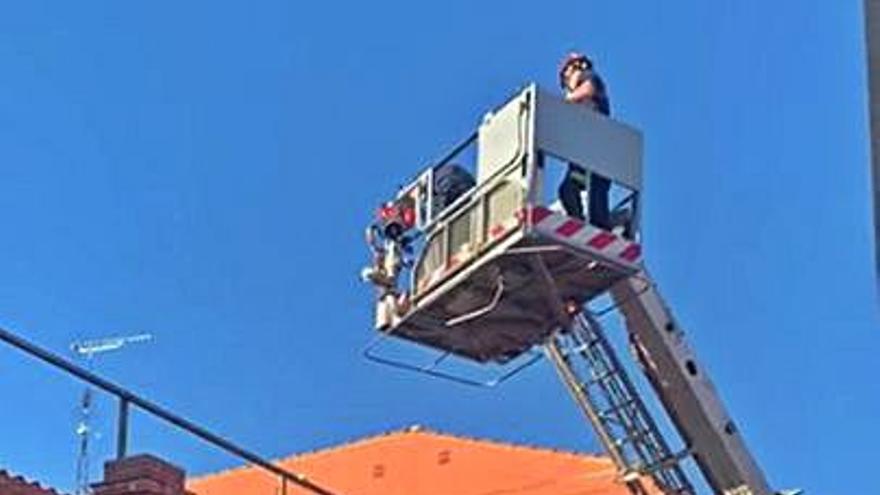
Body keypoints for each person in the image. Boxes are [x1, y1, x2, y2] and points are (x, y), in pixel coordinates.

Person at [557, 52, 612, 230]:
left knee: (595, 196)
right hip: (586, 155)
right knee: (569, 189)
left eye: (566, 73)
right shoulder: (580, 106)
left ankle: (598, 227)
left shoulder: (588, 78)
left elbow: (588, 90)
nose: (567, 81)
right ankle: (580, 224)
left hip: (597, 153)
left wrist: (567, 100)